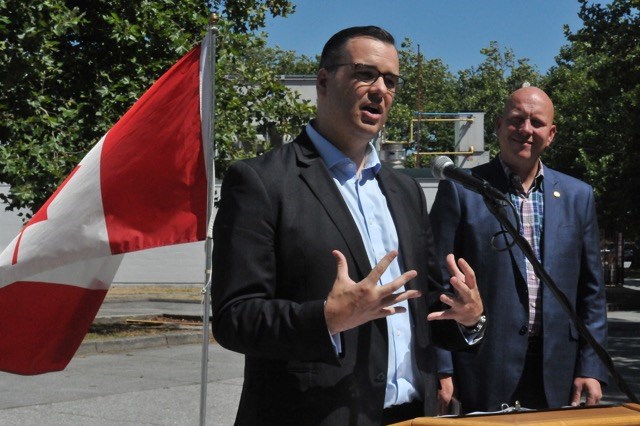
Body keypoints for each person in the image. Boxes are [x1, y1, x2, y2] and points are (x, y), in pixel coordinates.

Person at [211, 26, 485, 425]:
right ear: (323, 81)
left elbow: (423, 306)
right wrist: (326, 318)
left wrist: (467, 317)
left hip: (412, 414)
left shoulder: (405, 191)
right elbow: (235, 318)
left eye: (390, 81)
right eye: (365, 74)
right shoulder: (261, 182)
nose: (380, 90)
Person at [430, 86, 608, 414]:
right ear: (498, 125)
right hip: (480, 362)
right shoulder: (461, 190)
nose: (526, 129)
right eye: (516, 120)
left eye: (537, 123)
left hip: (558, 368)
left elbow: (591, 292)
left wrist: (591, 367)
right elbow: (438, 283)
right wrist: (442, 366)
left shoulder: (577, 196)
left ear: (551, 134)